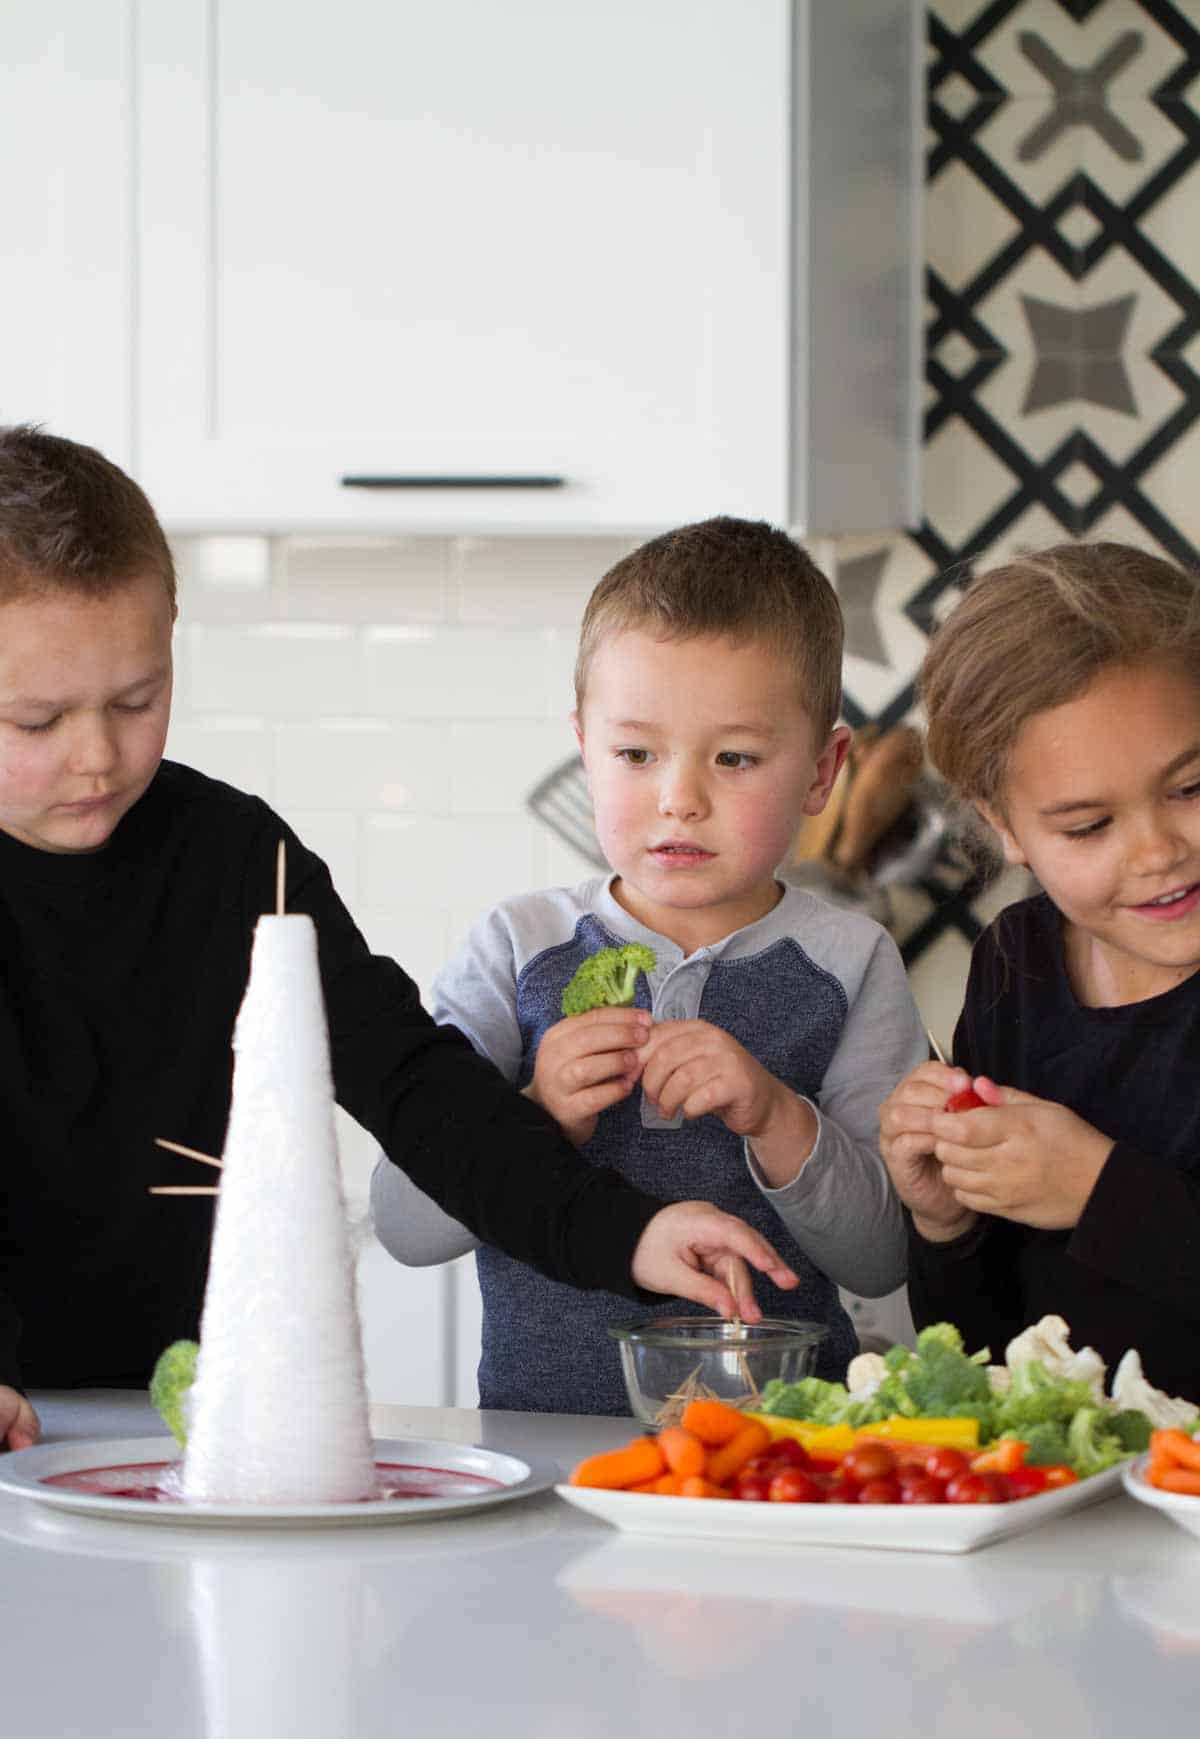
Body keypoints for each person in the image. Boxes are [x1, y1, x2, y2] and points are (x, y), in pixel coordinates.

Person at [0, 429, 800, 1454]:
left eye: (137, 699)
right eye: (36, 722)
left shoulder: (235, 858)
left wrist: (627, 1232)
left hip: (182, 1426)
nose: (100, 756)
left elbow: (420, 1088)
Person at [371, 517, 929, 1413]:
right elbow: (402, 1224)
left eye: (736, 758)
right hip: (541, 1452)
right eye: (636, 754)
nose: (680, 798)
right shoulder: (515, 949)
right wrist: (535, 1117)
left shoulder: (853, 963)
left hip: (781, 1463)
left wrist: (777, 1115)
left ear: (823, 772)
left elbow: (884, 1256)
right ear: (585, 747)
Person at [879, 542, 1200, 1398]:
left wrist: (1100, 1191)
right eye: (1090, 826)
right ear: (1007, 828)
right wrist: (948, 1223)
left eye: (1191, 786)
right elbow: (989, 1352)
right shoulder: (1017, 963)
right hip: (1074, 1507)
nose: (1159, 850)